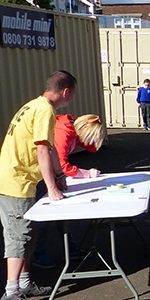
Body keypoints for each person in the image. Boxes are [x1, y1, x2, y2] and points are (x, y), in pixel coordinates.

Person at [0, 70, 77, 300]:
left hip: (21, 182)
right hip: (15, 184)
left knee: (29, 233)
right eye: (73, 95)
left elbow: (49, 151)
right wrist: (51, 187)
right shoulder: (45, 111)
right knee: (19, 237)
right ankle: (11, 292)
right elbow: (41, 151)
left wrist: (59, 177)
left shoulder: (34, 106)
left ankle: (25, 284)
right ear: (65, 92)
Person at [32, 114, 105, 269]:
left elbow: (91, 147)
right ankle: (37, 253)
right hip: (41, 176)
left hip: (52, 175)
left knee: (59, 214)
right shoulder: (63, 132)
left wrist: (96, 133)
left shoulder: (73, 130)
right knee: (45, 217)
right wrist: (87, 174)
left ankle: (70, 248)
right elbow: (62, 164)